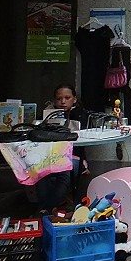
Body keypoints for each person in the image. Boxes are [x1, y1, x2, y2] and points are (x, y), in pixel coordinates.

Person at [33, 84, 87, 212]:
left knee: (63, 170)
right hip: (48, 156)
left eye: (67, 98)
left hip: (71, 157)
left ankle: (45, 208)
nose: (63, 102)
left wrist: (84, 163)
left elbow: (84, 140)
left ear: (74, 99)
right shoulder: (47, 115)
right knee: (39, 171)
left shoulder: (80, 114)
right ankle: (49, 207)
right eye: (59, 99)